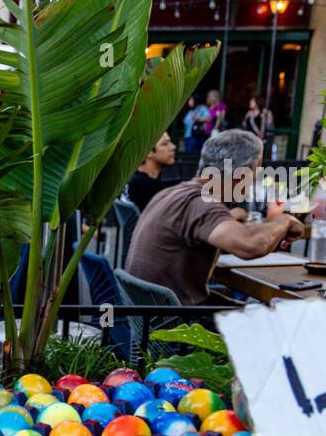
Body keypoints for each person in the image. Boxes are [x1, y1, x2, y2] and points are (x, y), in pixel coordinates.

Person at [124, 129, 304, 306]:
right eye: (257, 169)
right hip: (179, 326)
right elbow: (251, 245)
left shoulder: (173, 193)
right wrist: (284, 220)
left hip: (155, 318)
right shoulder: (202, 203)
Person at [125, 131, 182, 211]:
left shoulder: (133, 180)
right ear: (148, 151)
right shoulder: (148, 186)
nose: (173, 147)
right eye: (165, 144)